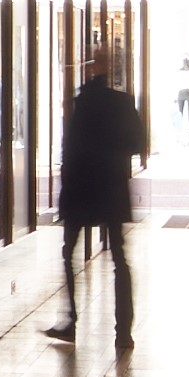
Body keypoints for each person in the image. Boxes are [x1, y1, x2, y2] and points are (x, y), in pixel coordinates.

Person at [51, 39, 148, 350]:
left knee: (70, 252)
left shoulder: (81, 101)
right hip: (111, 186)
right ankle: (124, 331)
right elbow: (137, 144)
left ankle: (71, 320)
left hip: (81, 186)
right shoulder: (121, 102)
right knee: (120, 257)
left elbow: (71, 147)